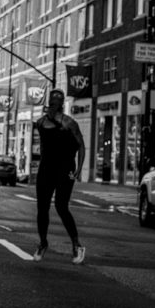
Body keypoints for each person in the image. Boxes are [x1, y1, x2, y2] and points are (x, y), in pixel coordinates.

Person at [32, 89, 87, 264]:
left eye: (57, 101)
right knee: (42, 208)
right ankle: (43, 243)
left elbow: (81, 146)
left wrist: (79, 168)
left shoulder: (69, 123)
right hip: (46, 168)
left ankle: (76, 244)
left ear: (62, 104)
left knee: (61, 206)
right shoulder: (40, 123)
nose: (54, 104)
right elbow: (44, 145)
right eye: (52, 101)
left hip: (65, 168)